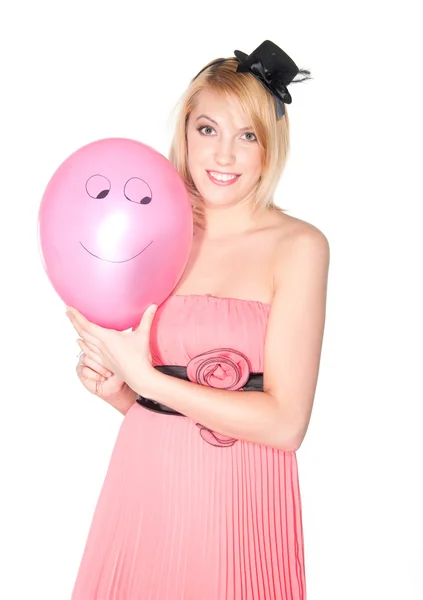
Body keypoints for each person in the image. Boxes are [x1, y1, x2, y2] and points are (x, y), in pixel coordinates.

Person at [67, 40, 330, 600]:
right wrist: (121, 392)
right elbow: (163, 406)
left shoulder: (298, 246)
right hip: (145, 490)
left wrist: (147, 381)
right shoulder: (156, 236)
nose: (225, 155)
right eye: (208, 130)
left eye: (247, 135)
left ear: (270, 147)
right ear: (186, 133)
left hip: (238, 503)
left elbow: (286, 424)